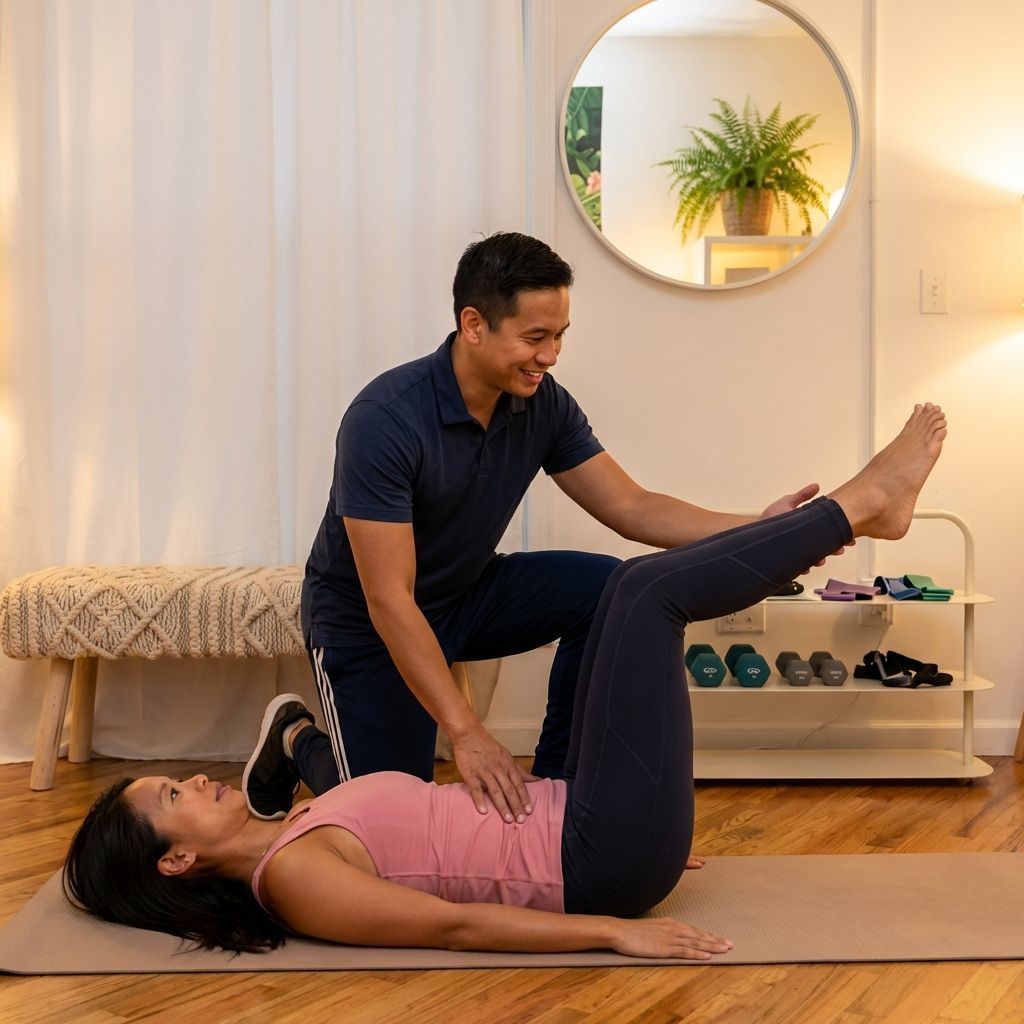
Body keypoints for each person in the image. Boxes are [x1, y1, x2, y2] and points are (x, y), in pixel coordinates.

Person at [64, 403, 948, 959]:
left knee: (616, 585)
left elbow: (634, 506)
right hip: (592, 855)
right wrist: (613, 929)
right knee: (643, 594)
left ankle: (299, 739)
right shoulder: (295, 881)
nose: (196, 778)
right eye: (175, 791)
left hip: (585, 823)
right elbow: (457, 926)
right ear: (177, 857)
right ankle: (861, 505)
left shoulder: (291, 839)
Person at [248, 231, 826, 826]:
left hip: (464, 596)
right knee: (389, 822)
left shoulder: (541, 403)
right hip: (366, 623)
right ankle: (296, 739)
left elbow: (633, 506)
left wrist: (759, 530)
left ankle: (559, 800)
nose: (550, 356)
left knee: (611, 591)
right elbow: (387, 597)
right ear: (474, 324)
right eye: (534, 338)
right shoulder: (385, 420)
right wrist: (467, 731)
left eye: (559, 337)